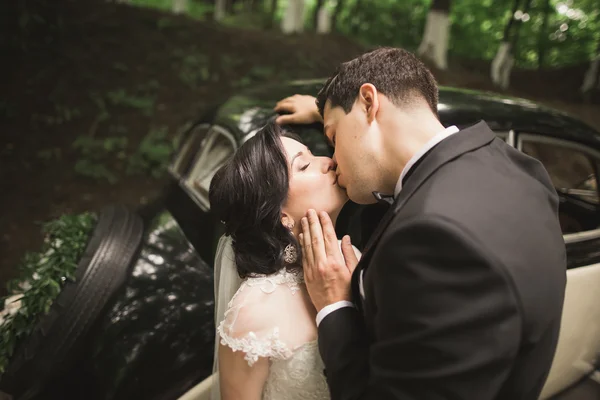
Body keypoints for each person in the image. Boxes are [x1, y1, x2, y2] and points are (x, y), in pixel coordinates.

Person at [274, 47, 567, 400]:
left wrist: (336, 306)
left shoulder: (436, 239)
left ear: (369, 102)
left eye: (333, 138)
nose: (333, 159)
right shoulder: (519, 168)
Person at [208, 122, 360, 400]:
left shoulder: (355, 255)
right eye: (304, 166)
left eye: (314, 155)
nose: (328, 161)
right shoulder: (252, 311)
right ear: (281, 216)